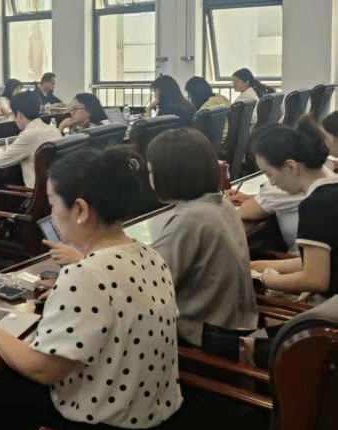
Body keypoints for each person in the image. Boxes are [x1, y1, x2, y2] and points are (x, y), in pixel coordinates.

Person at [0, 146, 186, 430]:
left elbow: (44, 368)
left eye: (53, 203)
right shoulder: (148, 254)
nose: (51, 214)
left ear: (80, 209)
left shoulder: (86, 275)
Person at [143, 129, 259, 350]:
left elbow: (146, 286)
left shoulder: (189, 220)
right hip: (241, 326)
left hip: (208, 340)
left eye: (150, 171)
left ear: (168, 174)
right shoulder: (221, 205)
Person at [249, 120, 338, 296]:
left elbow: (315, 279)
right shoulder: (331, 189)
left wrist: (260, 279)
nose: (271, 183)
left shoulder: (315, 206)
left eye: (269, 174)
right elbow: (315, 261)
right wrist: (259, 266)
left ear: (291, 167)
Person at [0, 91, 63, 188]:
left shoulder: (28, 135)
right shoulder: (54, 131)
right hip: (56, 191)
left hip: (34, 194)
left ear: (19, 114)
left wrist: (0, 151)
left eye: (13, 115)